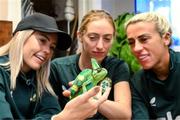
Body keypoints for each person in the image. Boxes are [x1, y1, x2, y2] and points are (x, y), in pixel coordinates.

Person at [0, 12, 111, 119]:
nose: (48, 51)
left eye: (52, 47)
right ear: (21, 37)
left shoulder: (40, 80)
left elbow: (51, 112)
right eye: (42, 40)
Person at [50, 9, 132, 119]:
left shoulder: (117, 66)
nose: (100, 45)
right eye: (93, 38)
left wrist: (88, 93)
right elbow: (50, 113)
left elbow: (124, 115)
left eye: (107, 39)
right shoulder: (58, 68)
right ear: (80, 36)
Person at [125, 12, 180, 119]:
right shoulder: (137, 82)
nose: (136, 48)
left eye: (144, 39)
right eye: (131, 42)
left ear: (166, 38)